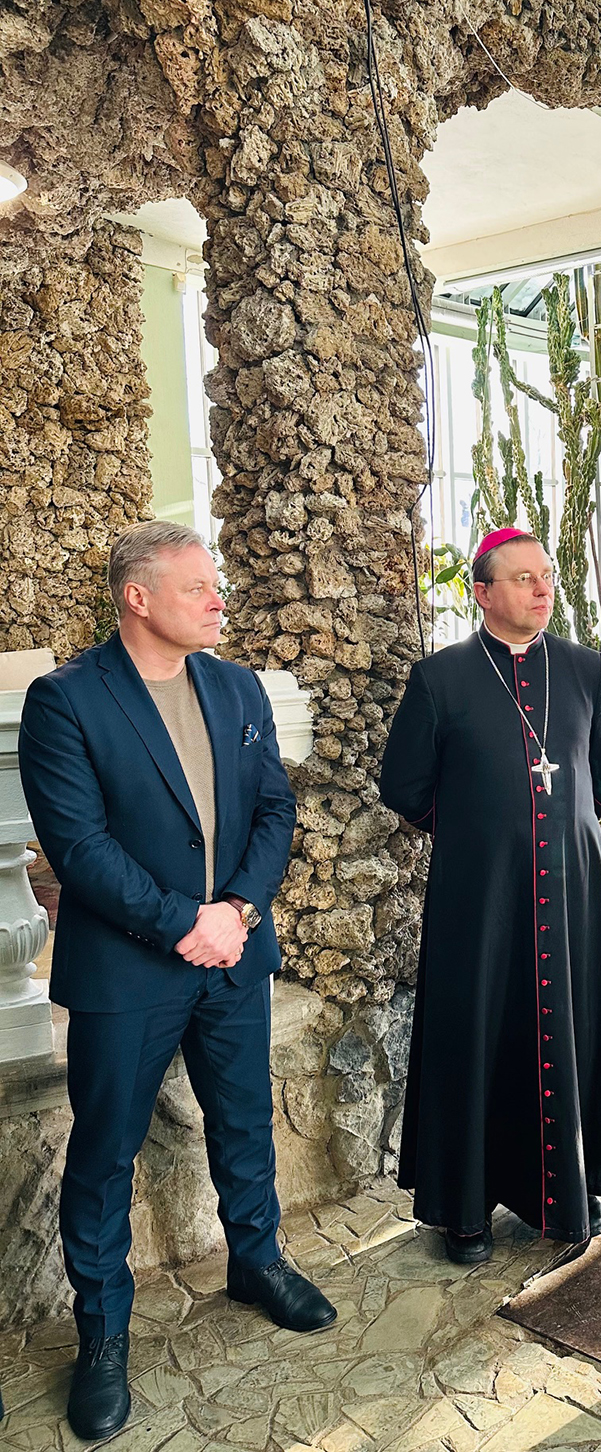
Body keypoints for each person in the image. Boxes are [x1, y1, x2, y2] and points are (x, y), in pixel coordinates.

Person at [18, 521, 335, 1443]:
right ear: (138, 596)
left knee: (244, 1120)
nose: (217, 599)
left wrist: (236, 911)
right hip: (127, 973)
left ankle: (257, 1262)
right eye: (198, 586)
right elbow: (78, 845)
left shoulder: (236, 687)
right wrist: (182, 923)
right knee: (104, 1151)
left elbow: (273, 807)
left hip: (234, 956)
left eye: (215, 584)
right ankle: (103, 1331)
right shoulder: (66, 700)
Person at [380, 528, 601, 1263]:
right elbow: (403, 784)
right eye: (523, 577)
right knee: (477, 1033)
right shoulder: (441, 678)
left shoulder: (584, 669)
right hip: (480, 898)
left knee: (576, 1028)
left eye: (547, 575)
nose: (542, 588)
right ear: (483, 592)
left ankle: (571, 1186)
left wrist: (561, 827)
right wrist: (478, 834)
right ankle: (465, 1208)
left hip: (575, 892)